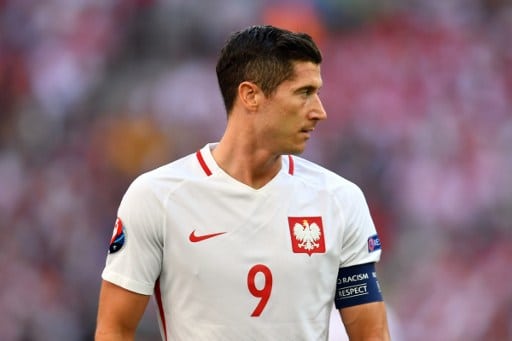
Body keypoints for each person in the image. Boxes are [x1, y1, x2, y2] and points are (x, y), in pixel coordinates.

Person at [95, 25, 391, 341]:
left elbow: (371, 333)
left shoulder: (340, 200)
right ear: (251, 95)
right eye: (304, 93)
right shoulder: (157, 197)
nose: (320, 112)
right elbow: (115, 328)